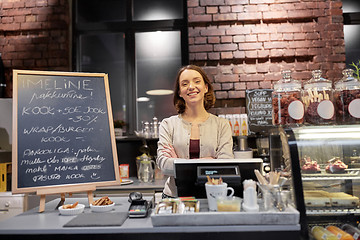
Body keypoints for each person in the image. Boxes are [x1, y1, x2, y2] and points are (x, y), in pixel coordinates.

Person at [156, 65, 234, 198]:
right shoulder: (168, 124)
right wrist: (209, 160)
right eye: (184, 84)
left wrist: (178, 162)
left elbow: (225, 165)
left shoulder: (222, 125)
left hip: (211, 196)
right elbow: (163, 164)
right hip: (174, 197)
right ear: (180, 92)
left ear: (206, 87)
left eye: (197, 81)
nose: (191, 87)